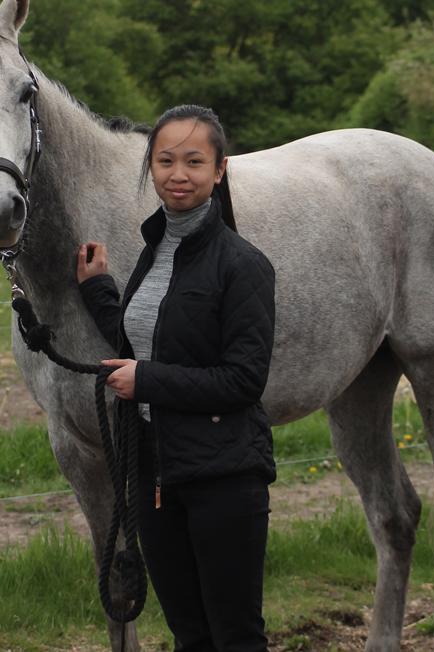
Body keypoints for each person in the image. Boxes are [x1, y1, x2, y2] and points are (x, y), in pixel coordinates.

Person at [76, 105, 277, 652]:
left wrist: (148, 384)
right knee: (189, 634)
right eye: (165, 160)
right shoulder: (154, 251)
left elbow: (243, 381)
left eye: (194, 161)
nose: (178, 173)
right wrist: (99, 289)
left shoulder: (244, 265)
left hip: (224, 477)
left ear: (219, 170)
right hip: (156, 476)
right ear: (151, 168)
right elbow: (147, 340)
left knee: (235, 637)